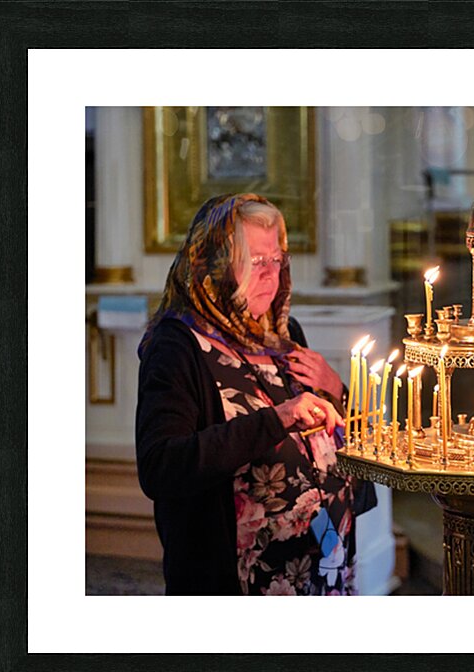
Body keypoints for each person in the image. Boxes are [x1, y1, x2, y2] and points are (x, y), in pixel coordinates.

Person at [136, 193, 373, 595]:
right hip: (236, 581)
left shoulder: (283, 333)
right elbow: (161, 467)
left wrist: (336, 390)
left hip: (323, 562)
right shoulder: (177, 346)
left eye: (276, 259)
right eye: (255, 262)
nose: (270, 274)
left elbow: (335, 435)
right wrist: (276, 419)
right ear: (213, 266)